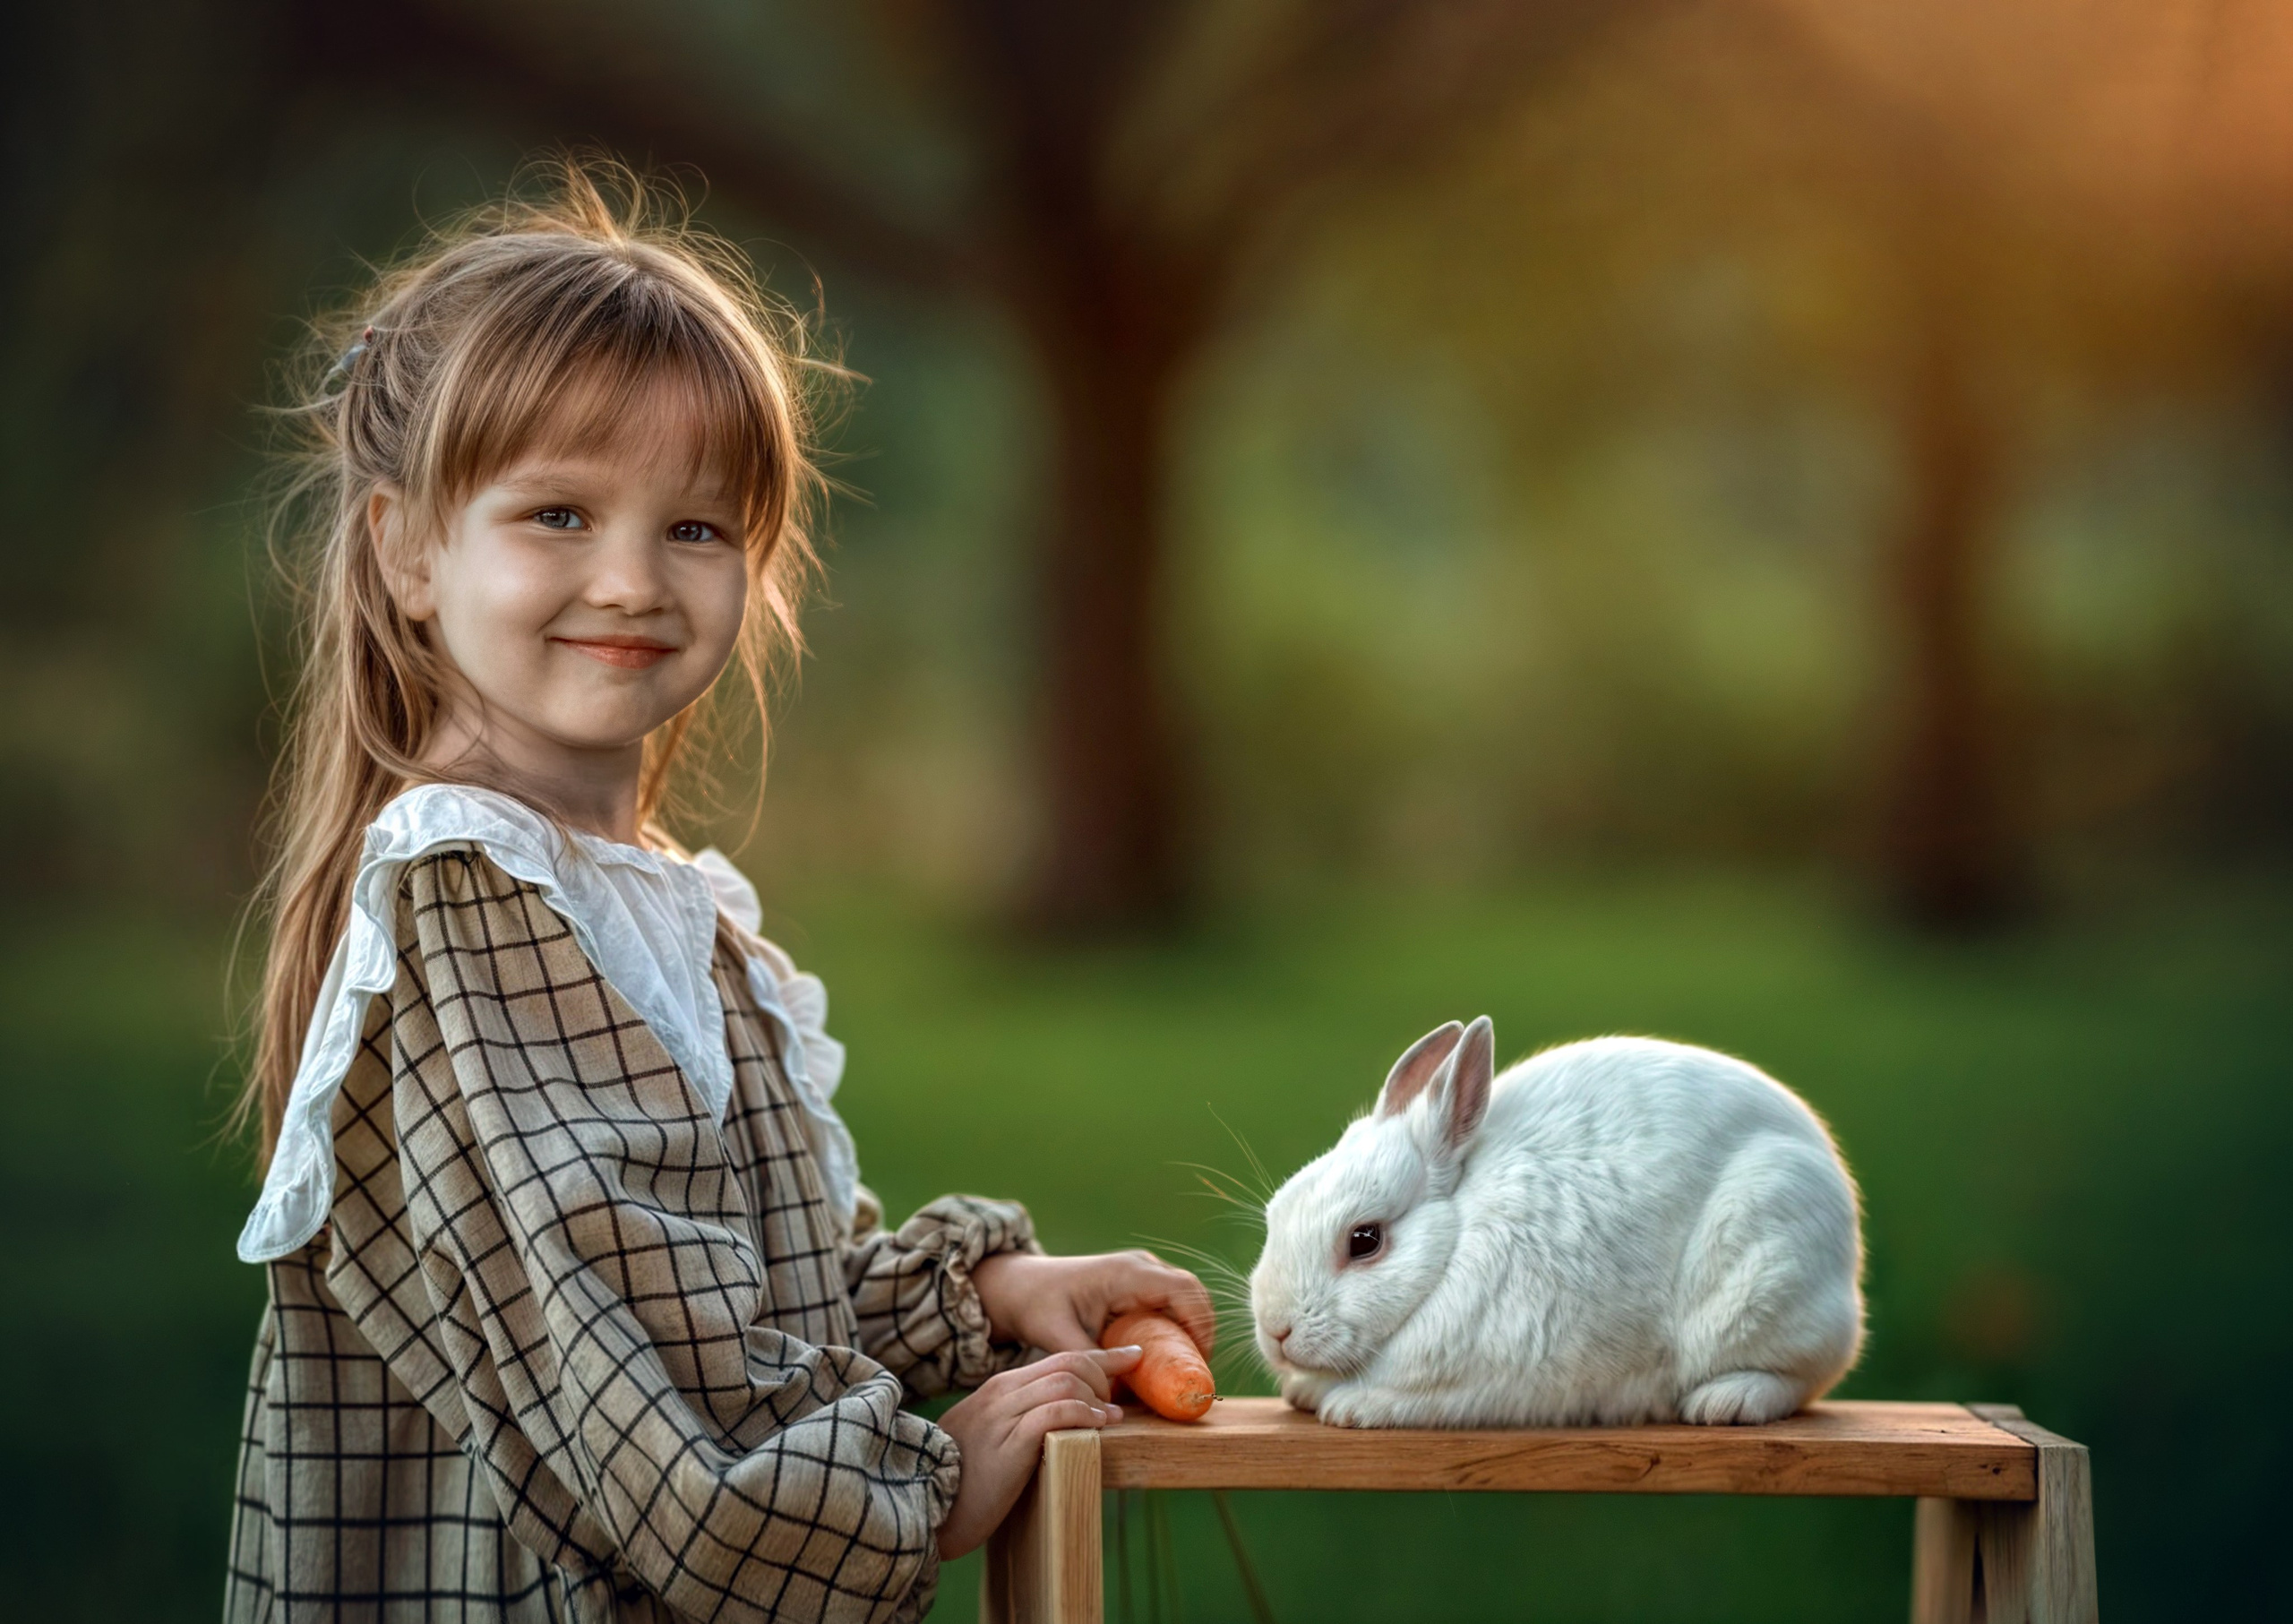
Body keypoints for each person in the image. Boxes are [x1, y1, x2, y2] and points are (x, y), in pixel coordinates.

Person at [221, 159, 1213, 1623]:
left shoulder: (655, 907)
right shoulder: (473, 898)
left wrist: (984, 1295)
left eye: (693, 528)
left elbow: (734, 1298)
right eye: (559, 513)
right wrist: (926, 1491)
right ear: (409, 551)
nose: (632, 580)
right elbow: (651, 1412)